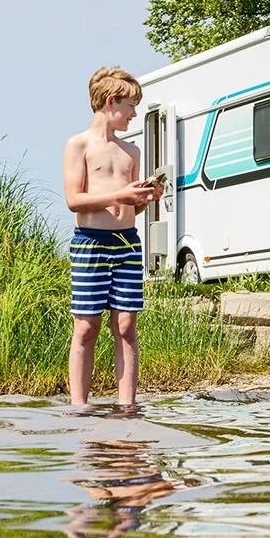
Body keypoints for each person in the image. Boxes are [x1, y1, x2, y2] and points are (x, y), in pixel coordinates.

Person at [63, 67, 163, 406]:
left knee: (125, 326)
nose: (134, 113)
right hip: (90, 242)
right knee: (87, 326)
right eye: (130, 106)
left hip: (127, 243)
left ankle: (127, 405)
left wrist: (145, 200)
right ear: (110, 102)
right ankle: (79, 407)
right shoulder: (78, 145)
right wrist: (120, 195)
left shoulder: (131, 152)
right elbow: (74, 200)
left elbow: (129, 210)